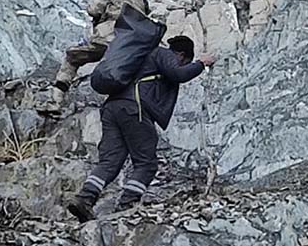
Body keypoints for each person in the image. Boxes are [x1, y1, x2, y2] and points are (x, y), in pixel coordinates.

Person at [66, 36, 216, 222]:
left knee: (110, 160)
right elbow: (179, 74)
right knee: (146, 163)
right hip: (133, 108)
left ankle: (84, 199)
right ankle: (127, 204)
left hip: (112, 108)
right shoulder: (164, 54)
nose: (183, 64)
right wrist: (201, 63)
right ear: (182, 55)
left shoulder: (141, 56)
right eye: (184, 61)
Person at [54, 0, 145, 92]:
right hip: (128, 45)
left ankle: (57, 96)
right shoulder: (139, 1)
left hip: (107, 38)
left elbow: (93, 10)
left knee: (72, 58)